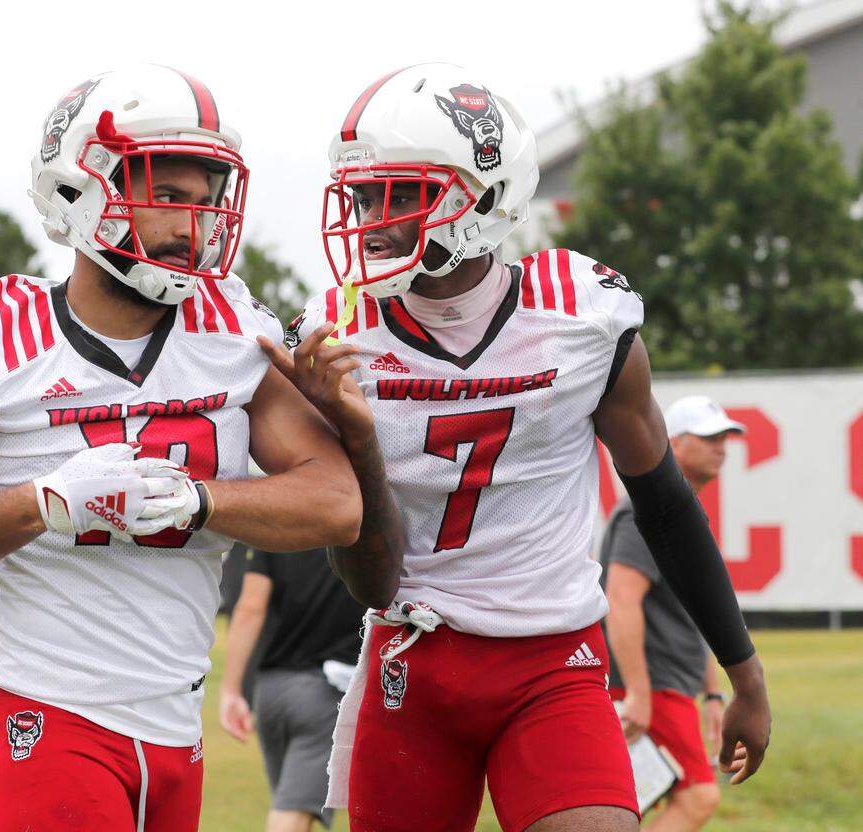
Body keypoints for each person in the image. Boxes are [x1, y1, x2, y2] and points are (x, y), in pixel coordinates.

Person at [263, 63, 771, 832]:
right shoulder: (337, 337)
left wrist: (746, 672)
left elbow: (663, 501)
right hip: (413, 662)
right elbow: (367, 576)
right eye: (365, 195)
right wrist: (358, 437)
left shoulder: (584, 316)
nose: (374, 219)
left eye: (401, 193)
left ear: (483, 194)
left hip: (553, 663)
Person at [0, 65, 362, 832]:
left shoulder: (231, 329)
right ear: (79, 191)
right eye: (167, 196)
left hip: (175, 726)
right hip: (47, 708)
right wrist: (45, 505)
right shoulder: (3, 336)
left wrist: (199, 500)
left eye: (206, 204)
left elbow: (335, 503)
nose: (191, 226)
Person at [602, 396, 746, 830]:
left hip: (670, 685)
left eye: (724, 437)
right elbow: (620, 597)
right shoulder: (648, 512)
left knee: (634, 801)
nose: (720, 446)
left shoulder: (678, 513)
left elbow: (694, 613)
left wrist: (713, 694)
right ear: (673, 444)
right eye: (708, 437)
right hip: (652, 683)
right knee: (697, 796)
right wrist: (639, 694)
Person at [219, 547, 366, 831]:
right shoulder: (356, 526)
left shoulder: (277, 530)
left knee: (290, 805)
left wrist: (232, 689)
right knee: (292, 813)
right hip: (325, 693)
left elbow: (250, 608)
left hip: (270, 693)